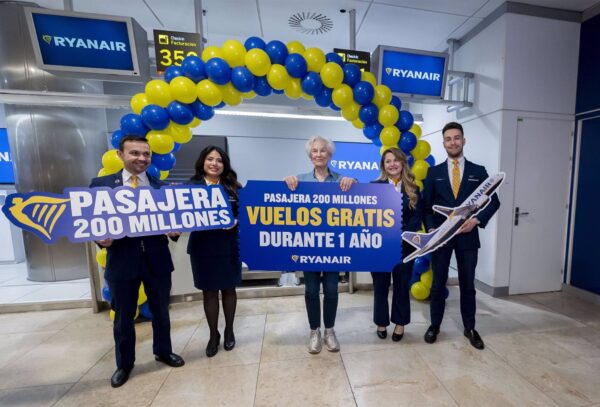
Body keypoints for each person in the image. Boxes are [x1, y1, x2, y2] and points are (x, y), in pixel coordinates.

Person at [90, 135, 184, 388]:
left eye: (146, 154)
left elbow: (173, 222)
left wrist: (175, 231)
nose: (142, 158)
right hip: (121, 262)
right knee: (123, 317)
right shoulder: (101, 186)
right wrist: (101, 240)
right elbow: (92, 221)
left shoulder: (162, 188)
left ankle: (163, 351)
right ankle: (124, 364)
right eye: (135, 153)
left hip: (157, 260)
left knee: (161, 311)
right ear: (120, 155)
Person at [422, 122, 500, 350]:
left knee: (467, 284)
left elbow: (493, 201)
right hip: (442, 237)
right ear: (443, 143)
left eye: (457, 138)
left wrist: (476, 220)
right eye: (448, 139)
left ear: (463, 141)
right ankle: (435, 325)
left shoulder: (479, 171)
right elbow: (426, 207)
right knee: (438, 283)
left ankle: (470, 328)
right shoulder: (434, 173)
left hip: (468, 237)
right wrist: (431, 230)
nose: (453, 142)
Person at [284, 136, 355, 354]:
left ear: (330, 154)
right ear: (310, 155)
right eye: (314, 151)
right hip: (309, 247)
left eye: (323, 150)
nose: (318, 154)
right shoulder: (300, 180)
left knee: (332, 290)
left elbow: (360, 196)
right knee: (311, 291)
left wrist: (353, 181)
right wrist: (286, 182)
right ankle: (314, 331)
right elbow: (283, 202)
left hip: (334, 247)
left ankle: (329, 331)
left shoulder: (341, 179)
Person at [187, 146, 242, 358]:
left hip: (229, 246)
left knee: (229, 289)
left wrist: (236, 221)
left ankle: (229, 331)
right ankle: (213, 335)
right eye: (210, 159)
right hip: (202, 247)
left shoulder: (234, 187)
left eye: (219, 160)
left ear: (224, 165)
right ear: (203, 162)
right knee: (209, 292)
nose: (214, 164)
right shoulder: (189, 187)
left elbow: (246, 213)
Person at [371, 148, 423, 341]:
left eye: (395, 160)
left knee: (401, 286)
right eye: (388, 161)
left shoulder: (413, 188)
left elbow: (417, 217)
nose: (392, 164)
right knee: (380, 286)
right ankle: (381, 322)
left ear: (402, 163)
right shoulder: (374, 187)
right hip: (381, 247)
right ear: (383, 165)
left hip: (405, 246)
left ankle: (400, 324)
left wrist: (401, 234)